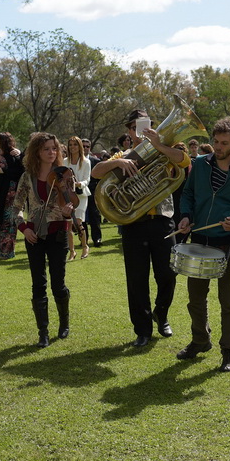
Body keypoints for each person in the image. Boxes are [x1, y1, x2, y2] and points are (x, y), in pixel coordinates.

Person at [92, 109, 190, 347]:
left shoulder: (163, 150)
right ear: (128, 131)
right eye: (135, 126)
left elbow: (184, 162)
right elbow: (96, 172)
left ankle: (162, 315)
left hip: (163, 221)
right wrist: (121, 162)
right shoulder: (121, 155)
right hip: (133, 224)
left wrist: (158, 144)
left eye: (145, 125)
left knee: (168, 275)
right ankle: (142, 330)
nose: (140, 130)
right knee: (136, 280)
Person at [176, 117, 230, 372]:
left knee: (228, 301)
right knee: (195, 299)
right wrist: (186, 215)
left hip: (228, 244)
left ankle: (229, 350)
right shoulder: (200, 165)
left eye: (224, 143)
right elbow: (188, 194)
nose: (218, 146)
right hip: (199, 240)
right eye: (215, 141)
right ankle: (200, 340)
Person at [14, 132, 73, 348]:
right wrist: (23, 228)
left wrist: (68, 212)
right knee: (38, 284)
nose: (51, 152)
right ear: (37, 151)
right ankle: (43, 332)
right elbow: (15, 209)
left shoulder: (65, 175)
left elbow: (69, 208)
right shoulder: (27, 177)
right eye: (46, 148)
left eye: (54, 148)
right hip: (34, 236)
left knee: (58, 284)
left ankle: (64, 323)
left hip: (58, 234)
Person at [0, 132, 24, 260]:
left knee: (8, 223)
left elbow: (19, 172)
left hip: (9, 194)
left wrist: (2, 171)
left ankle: (7, 251)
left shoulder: (13, 155)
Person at [64, 136, 91, 261]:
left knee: (79, 222)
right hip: (68, 195)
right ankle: (72, 251)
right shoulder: (65, 161)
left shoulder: (85, 162)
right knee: (68, 224)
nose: (72, 147)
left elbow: (87, 179)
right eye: (70, 145)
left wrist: (80, 184)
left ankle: (85, 246)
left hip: (81, 195)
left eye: (75, 144)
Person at [82, 138, 102, 248]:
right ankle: (84, 240)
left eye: (87, 146)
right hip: (80, 193)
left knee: (95, 217)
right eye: (83, 146)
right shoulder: (76, 162)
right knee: (82, 218)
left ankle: (97, 239)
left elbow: (100, 179)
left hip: (93, 193)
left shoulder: (96, 161)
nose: (85, 148)